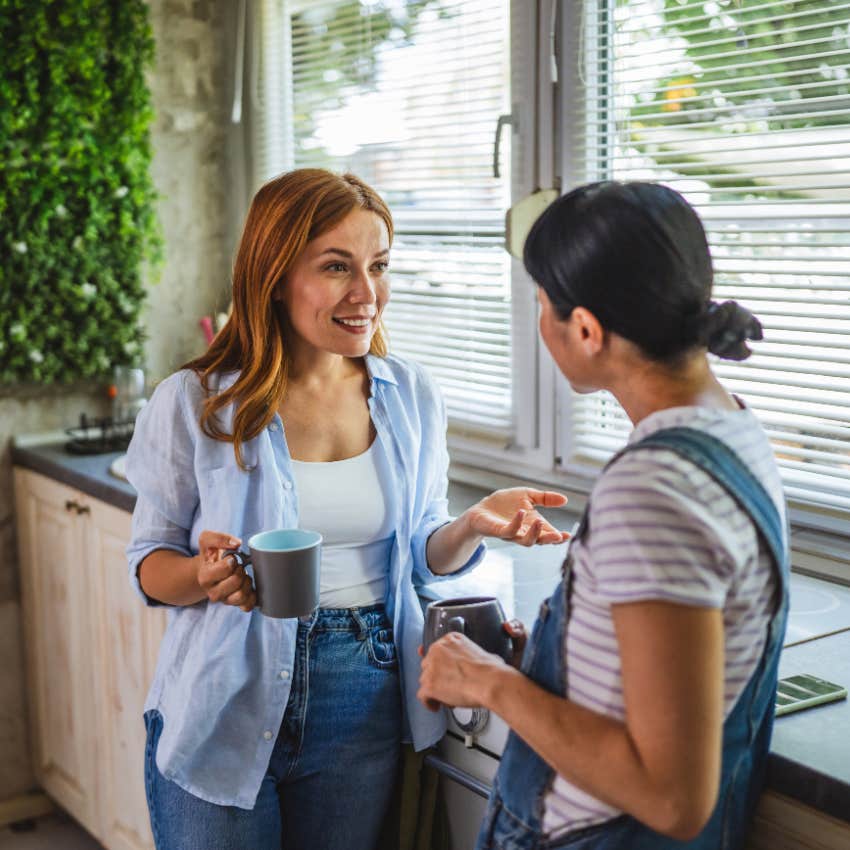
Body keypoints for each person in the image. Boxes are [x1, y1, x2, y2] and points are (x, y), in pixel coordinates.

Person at [125, 168, 569, 850]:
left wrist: (472, 523)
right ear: (275, 277)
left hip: (364, 695)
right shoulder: (197, 402)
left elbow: (419, 552)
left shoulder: (410, 394)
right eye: (337, 267)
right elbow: (149, 564)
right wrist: (202, 576)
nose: (366, 293)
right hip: (223, 697)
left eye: (379, 266)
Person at [418, 181, 789, 849]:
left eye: (542, 305)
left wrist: (492, 683)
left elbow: (671, 797)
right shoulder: (732, 429)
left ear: (587, 330)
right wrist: (553, 665)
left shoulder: (653, 489)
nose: (539, 324)